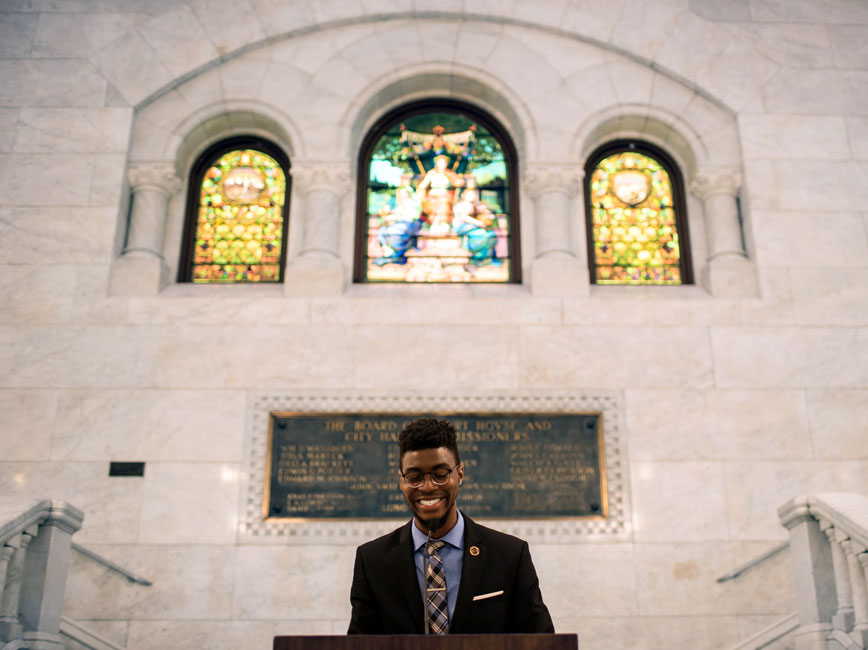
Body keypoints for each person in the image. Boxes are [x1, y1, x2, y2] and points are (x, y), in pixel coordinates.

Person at [347, 418, 554, 635]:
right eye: (415, 477)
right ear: (401, 481)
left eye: (440, 474)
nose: (428, 487)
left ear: (460, 474)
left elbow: (541, 640)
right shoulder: (371, 561)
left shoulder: (510, 555)